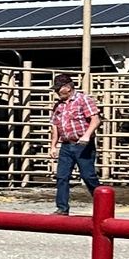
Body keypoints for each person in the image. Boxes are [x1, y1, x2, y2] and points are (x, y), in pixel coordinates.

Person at [51, 71, 101, 215]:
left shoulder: (83, 99)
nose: (56, 92)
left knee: (88, 176)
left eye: (58, 88)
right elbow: (55, 126)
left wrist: (86, 136)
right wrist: (53, 146)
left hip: (82, 144)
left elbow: (95, 119)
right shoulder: (58, 105)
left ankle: (102, 203)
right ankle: (62, 208)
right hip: (66, 145)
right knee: (62, 176)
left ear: (68, 87)